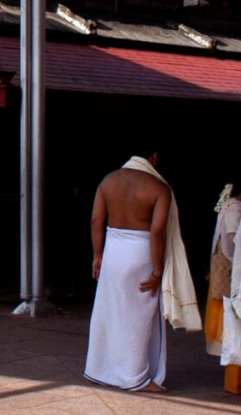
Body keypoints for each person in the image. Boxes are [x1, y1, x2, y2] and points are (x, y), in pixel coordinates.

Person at [84, 146, 201, 392]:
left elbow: (96, 220)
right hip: (141, 253)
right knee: (139, 316)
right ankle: (135, 377)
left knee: (110, 311)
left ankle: (99, 369)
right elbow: (157, 232)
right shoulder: (159, 188)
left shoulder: (109, 180)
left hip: (113, 250)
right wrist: (158, 272)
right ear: (154, 156)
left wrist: (97, 256)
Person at [207, 182, 241, 393]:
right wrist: (234, 262)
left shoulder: (229, 206)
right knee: (233, 321)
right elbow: (231, 241)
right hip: (232, 268)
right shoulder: (234, 208)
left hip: (234, 267)